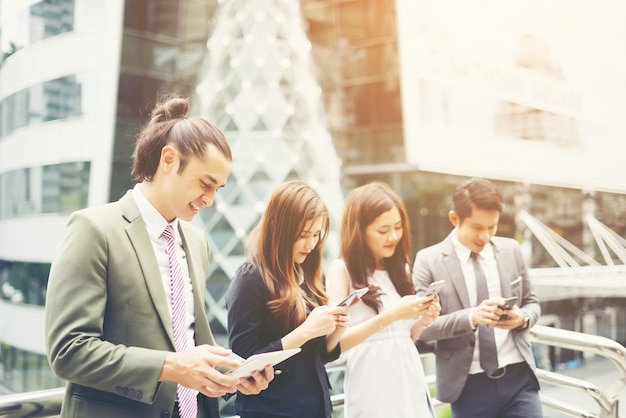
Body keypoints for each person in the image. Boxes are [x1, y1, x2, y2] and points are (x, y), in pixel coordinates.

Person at [44, 95, 273, 418]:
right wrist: (171, 365)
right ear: (168, 159)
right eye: (205, 184)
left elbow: (187, 341)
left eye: (218, 189)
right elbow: (69, 351)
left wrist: (232, 375)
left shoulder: (197, 243)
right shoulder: (94, 229)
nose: (209, 200)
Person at [413, 177, 542, 418]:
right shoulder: (428, 260)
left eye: (492, 227)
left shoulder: (512, 250)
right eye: (477, 227)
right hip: (468, 386)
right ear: (454, 219)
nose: (485, 236)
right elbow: (421, 328)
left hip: (519, 378)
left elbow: (532, 303)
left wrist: (522, 317)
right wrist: (471, 317)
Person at [225, 180, 349, 418]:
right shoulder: (251, 278)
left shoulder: (309, 275)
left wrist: (337, 330)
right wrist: (305, 331)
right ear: (278, 228)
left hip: (316, 407)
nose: (311, 244)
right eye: (303, 235)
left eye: (316, 234)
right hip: (272, 410)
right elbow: (243, 361)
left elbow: (315, 356)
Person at [325, 181, 441, 418]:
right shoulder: (341, 270)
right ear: (360, 230)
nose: (394, 236)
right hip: (371, 381)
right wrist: (391, 316)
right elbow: (333, 344)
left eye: (398, 227)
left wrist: (425, 319)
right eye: (383, 230)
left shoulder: (400, 268)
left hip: (408, 376)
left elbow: (406, 335)